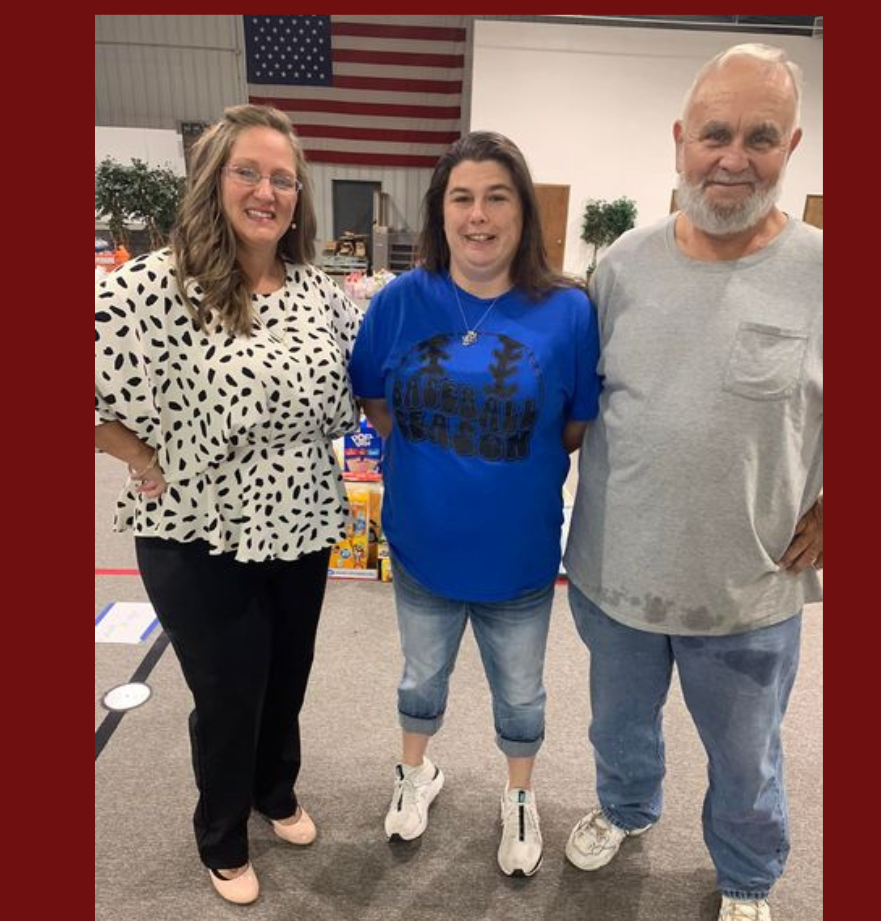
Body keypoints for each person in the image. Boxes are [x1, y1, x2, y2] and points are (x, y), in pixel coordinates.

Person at [562, 44, 822, 921]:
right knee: (618, 729)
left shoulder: (829, 273)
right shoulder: (621, 267)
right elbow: (573, 398)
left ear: (791, 145)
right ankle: (627, 809)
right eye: (714, 133)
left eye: (760, 136)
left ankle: (747, 874)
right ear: (679, 140)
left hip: (746, 587)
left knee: (745, 755)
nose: (732, 156)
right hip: (615, 570)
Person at [95, 104, 362, 905]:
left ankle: (274, 790)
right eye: (248, 171)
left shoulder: (321, 292)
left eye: (283, 178)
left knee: (288, 676)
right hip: (198, 529)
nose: (266, 191)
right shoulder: (152, 287)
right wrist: (141, 456)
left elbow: (361, 393)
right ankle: (221, 833)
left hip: (305, 517)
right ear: (213, 180)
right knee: (230, 690)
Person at [348, 131, 601, 876]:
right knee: (419, 678)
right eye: (462, 197)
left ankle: (517, 794)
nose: (478, 214)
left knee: (521, 693)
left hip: (518, 553)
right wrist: (432, 452)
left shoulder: (567, 312)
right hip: (424, 542)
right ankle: (414, 771)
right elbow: (372, 397)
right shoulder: (401, 300)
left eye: (497, 196)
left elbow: (574, 423)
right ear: (440, 211)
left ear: (522, 212)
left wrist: (494, 457)